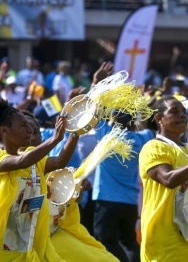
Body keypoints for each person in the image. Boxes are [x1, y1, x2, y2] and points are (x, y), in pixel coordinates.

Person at [21, 110, 119, 262]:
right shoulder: (8, 165)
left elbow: (73, 202)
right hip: (23, 244)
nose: (32, 136)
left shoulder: (49, 166)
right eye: (25, 130)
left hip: (55, 235)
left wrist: (75, 189)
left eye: (35, 132)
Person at [139, 96, 188, 261]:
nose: (181, 115)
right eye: (174, 112)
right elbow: (168, 179)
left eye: (183, 112)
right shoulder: (153, 148)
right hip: (166, 241)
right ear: (159, 118)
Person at [0, 99, 77, 261]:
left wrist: (76, 132)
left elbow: (59, 161)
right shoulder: (3, 159)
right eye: (23, 126)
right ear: (5, 131)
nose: (30, 131)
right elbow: (22, 162)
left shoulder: (33, 159)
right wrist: (54, 139)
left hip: (27, 246)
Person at [93, 111, 154, 262]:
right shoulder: (142, 138)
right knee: (129, 242)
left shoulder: (106, 134)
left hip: (106, 199)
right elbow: (148, 126)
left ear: (114, 119)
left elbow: (93, 113)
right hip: (130, 201)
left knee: (106, 241)